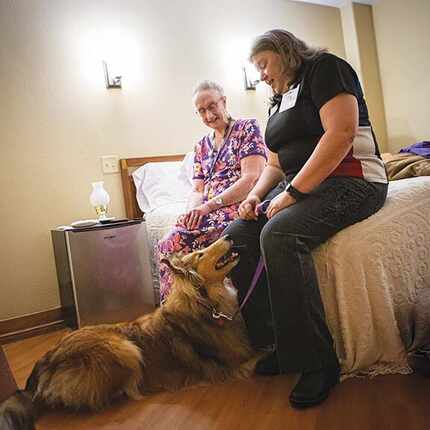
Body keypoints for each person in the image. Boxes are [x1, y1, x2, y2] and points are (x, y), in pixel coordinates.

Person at [224, 29, 388, 408]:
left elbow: (342, 132)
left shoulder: (325, 69)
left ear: (284, 51)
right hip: (306, 187)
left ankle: (317, 362)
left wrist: (293, 193)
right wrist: (254, 195)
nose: (261, 75)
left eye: (263, 64)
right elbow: (275, 163)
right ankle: (279, 343)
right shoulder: (278, 101)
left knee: (279, 235)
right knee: (238, 235)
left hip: (353, 181)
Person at [157, 80, 267, 301]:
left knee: (178, 242)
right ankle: (182, 311)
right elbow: (197, 189)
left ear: (224, 101)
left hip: (237, 206)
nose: (208, 115)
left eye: (212, 107)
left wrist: (208, 207)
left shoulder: (246, 128)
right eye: (201, 111)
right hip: (208, 211)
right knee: (167, 245)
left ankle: (197, 308)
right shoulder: (201, 146)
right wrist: (192, 212)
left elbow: (251, 178)